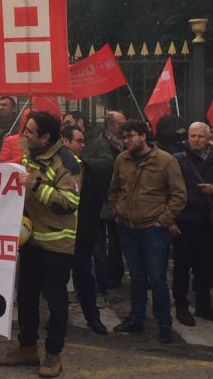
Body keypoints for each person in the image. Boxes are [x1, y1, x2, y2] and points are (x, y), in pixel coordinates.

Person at [0, 112, 80, 378]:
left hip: (57, 243)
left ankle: (53, 355)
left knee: (55, 301)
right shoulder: (28, 155)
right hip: (31, 240)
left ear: (45, 137)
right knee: (27, 297)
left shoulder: (68, 161)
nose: (25, 136)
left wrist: (36, 185)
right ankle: (28, 348)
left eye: (30, 132)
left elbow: (69, 202)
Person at [109, 119, 186, 345]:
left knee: (158, 278)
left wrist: (163, 220)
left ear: (143, 136)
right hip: (128, 227)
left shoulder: (164, 160)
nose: (126, 140)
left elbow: (179, 195)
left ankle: (164, 325)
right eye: (124, 137)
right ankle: (136, 318)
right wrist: (116, 211)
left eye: (130, 135)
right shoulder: (121, 160)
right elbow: (113, 189)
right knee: (136, 276)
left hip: (153, 229)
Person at [171, 122, 213, 326]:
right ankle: (181, 306)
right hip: (185, 221)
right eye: (192, 136)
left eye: (200, 136)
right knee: (182, 266)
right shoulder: (178, 160)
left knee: (205, 267)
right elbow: (168, 189)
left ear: (208, 139)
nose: (195, 140)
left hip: (208, 222)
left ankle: (204, 305)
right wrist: (170, 220)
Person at [63, 124, 108, 335]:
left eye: (83, 141)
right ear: (65, 142)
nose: (82, 145)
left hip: (82, 233)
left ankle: (93, 319)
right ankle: (58, 318)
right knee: (58, 280)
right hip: (61, 235)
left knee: (85, 277)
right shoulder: (58, 167)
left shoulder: (87, 168)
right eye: (78, 141)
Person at [85, 110, 126, 290]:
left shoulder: (127, 141)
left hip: (121, 195)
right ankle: (103, 277)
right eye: (121, 124)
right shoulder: (99, 142)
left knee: (118, 240)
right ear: (111, 125)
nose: (124, 128)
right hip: (101, 195)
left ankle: (116, 273)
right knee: (99, 240)